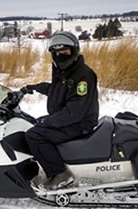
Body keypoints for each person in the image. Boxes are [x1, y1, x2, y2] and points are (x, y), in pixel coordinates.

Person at [22, 31, 99, 190]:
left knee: (34, 135)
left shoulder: (83, 75)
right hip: (70, 117)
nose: (60, 56)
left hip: (81, 123)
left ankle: (60, 174)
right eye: (57, 53)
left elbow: (75, 112)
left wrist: (48, 122)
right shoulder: (65, 70)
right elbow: (57, 89)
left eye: (64, 52)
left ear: (74, 51)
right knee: (32, 123)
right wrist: (35, 87)